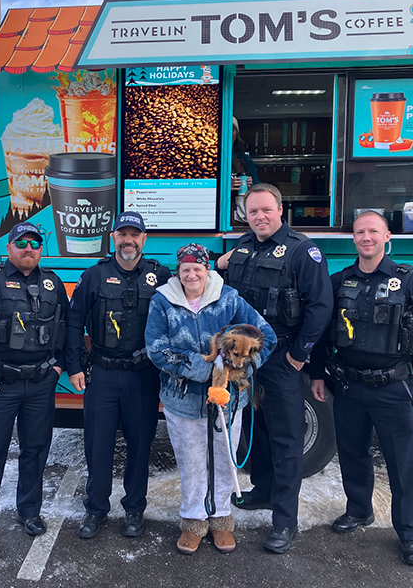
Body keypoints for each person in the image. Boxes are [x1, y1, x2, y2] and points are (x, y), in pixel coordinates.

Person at [216, 183, 333, 553]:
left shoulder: (303, 251)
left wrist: (299, 357)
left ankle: (285, 520)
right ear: (245, 215)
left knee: (286, 439)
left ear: (281, 210)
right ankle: (263, 491)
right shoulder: (243, 248)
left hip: (282, 360)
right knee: (257, 431)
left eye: (266, 210)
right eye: (253, 212)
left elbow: (320, 308)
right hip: (246, 362)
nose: (260, 217)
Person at [145, 243, 276, 555]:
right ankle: (193, 521)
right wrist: (203, 368)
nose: (192, 274)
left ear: (207, 270)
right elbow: (155, 348)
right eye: (186, 269)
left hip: (228, 402)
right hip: (183, 399)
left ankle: (221, 520)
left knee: (223, 459)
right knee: (191, 463)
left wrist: (242, 367)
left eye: (198, 269)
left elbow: (266, 336)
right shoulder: (162, 302)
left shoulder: (228, 298)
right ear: (178, 272)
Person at [309, 210, 413, 566]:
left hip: (394, 386)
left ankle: (409, 532)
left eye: (373, 232)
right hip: (348, 384)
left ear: (388, 238)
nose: (365, 238)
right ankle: (358, 510)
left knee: (403, 464)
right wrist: (318, 374)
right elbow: (322, 331)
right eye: (359, 232)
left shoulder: (407, 279)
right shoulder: (340, 281)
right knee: (352, 454)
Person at [0, 222, 68, 547]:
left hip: (40, 383)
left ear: (40, 249)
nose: (29, 248)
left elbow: (66, 325)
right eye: (22, 243)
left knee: (35, 451)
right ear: (9, 247)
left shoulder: (52, 283)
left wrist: (58, 365)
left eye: (35, 243)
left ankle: (29, 511)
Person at [66, 211, 172, 539]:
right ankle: (96, 509)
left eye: (134, 234)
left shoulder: (162, 275)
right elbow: (73, 322)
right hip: (103, 374)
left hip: (143, 375)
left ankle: (134, 509)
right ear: (113, 238)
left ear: (144, 239)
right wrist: (73, 367)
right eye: (122, 234)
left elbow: (178, 318)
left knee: (141, 446)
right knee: (98, 446)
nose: (128, 240)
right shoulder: (94, 276)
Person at [231, 117, 260, 224]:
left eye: (232, 129)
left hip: (240, 216)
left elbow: (258, 188)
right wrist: (225, 189)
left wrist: (250, 187)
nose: (229, 133)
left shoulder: (244, 159)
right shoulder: (208, 159)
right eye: (225, 129)